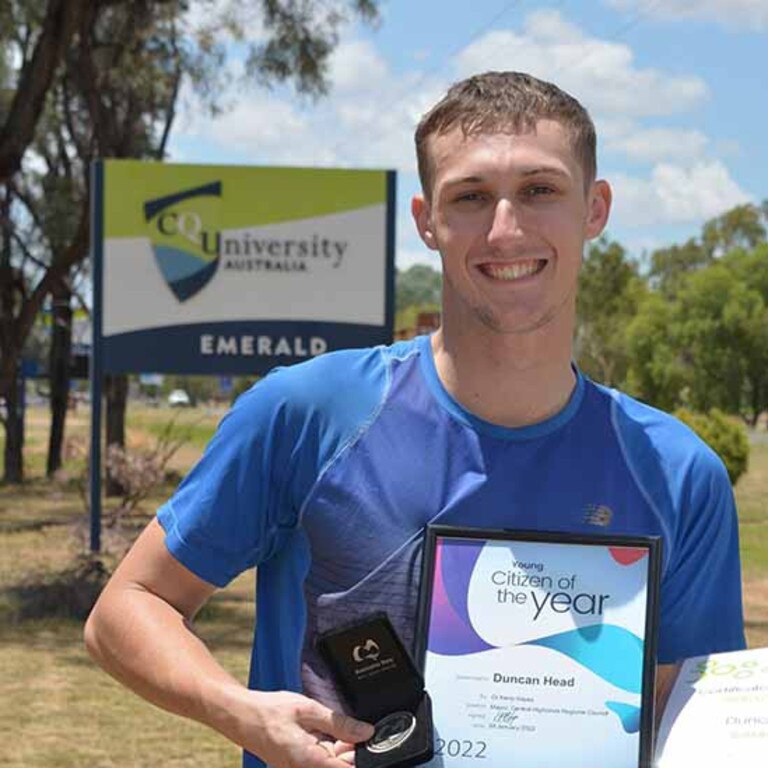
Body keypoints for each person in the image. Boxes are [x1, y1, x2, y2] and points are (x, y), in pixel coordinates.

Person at [84, 71, 746, 768]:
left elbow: (689, 727)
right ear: (427, 220)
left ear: (595, 209)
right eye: (470, 197)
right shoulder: (310, 412)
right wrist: (243, 714)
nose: (506, 227)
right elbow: (126, 608)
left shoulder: (678, 474)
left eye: (540, 190)